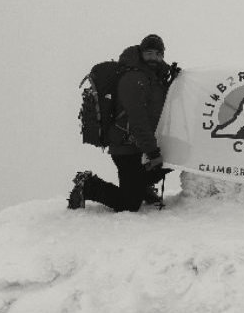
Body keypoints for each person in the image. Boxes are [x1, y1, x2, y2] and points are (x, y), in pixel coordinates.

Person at [67, 34, 177, 212]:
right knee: (128, 204)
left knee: (174, 157)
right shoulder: (133, 79)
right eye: (149, 53)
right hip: (126, 146)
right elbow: (137, 119)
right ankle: (87, 185)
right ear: (141, 53)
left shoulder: (155, 79)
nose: (154, 58)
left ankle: (141, 187)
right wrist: (152, 151)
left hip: (140, 145)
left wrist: (174, 80)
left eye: (158, 54)